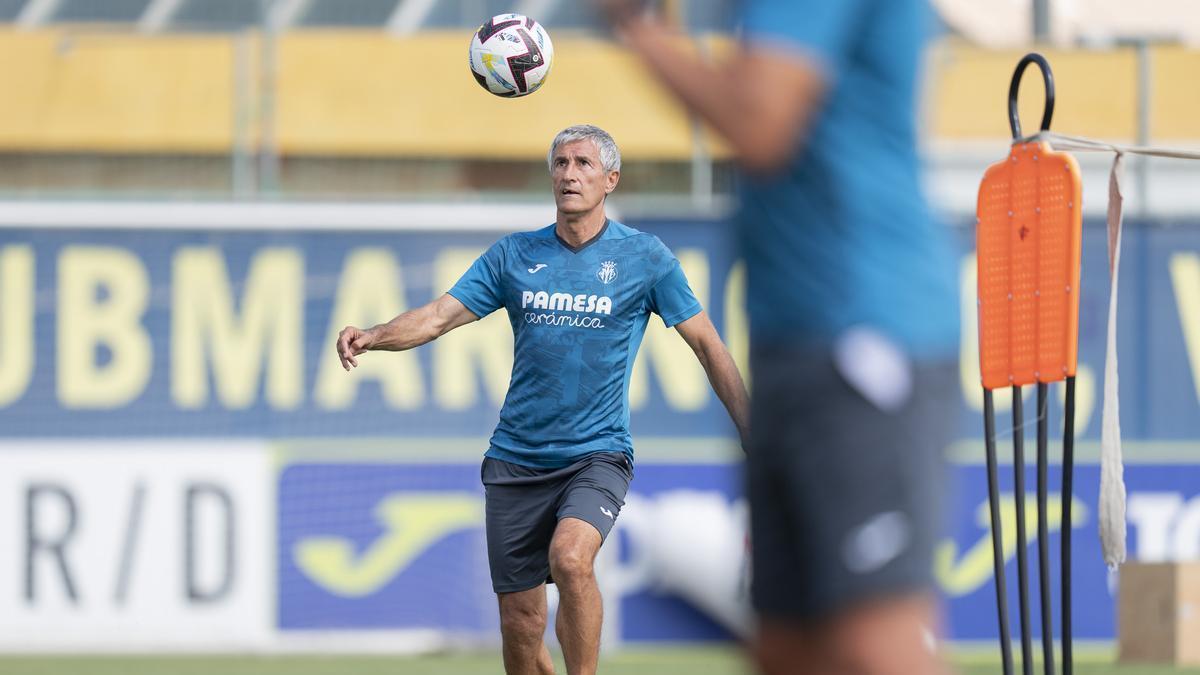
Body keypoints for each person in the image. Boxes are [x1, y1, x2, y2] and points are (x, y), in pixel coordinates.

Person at [592, 2, 960, 674]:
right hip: (800, 339)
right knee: (790, 648)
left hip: (862, 330)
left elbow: (761, 123)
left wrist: (639, 32)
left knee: (876, 642)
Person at [336, 124, 750, 675]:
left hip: (596, 454)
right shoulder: (514, 255)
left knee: (572, 560)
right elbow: (438, 316)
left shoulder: (646, 259)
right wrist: (374, 334)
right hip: (515, 460)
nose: (569, 175)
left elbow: (707, 344)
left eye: (582, 164)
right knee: (521, 626)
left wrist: (751, 428)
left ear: (611, 179)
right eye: (560, 164)